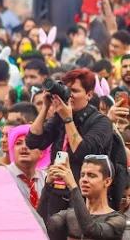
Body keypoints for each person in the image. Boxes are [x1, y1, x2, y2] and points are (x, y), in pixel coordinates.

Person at [26, 68, 122, 208]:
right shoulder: (59, 117)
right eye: (67, 90)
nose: (70, 96)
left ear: (89, 95)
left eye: (75, 91)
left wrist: (68, 120)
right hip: (56, 194)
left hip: (85, 200)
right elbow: (33, 141)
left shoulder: (101, 122)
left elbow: (83, 153)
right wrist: (45, 107)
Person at [38, 156, 126, 240]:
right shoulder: (69, 214)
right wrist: (48, 186)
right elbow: (42, 225)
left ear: (107, 182)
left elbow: (91, 230)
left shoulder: (117, 220)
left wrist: (72, 186)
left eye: (91, 175)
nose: (84, 179)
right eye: (82, 175)